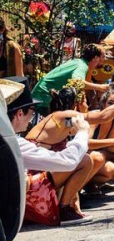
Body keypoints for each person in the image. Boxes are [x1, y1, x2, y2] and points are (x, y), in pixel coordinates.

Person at [5, 77, 97, 225]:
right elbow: (68, 162)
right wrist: (83, 131)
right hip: (14, 206)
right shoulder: (14, 143)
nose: (32, 118)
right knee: (85, 160)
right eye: (32, 112)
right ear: (20, 114)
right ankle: (62, 209)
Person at [32, 44, 108, 114]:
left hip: (43, 96)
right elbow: (76, 82)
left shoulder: (80, 63)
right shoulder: (82, 66)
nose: (105, 59)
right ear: (96, 57)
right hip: (43, 98)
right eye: (103, 56)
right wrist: (100, 87)